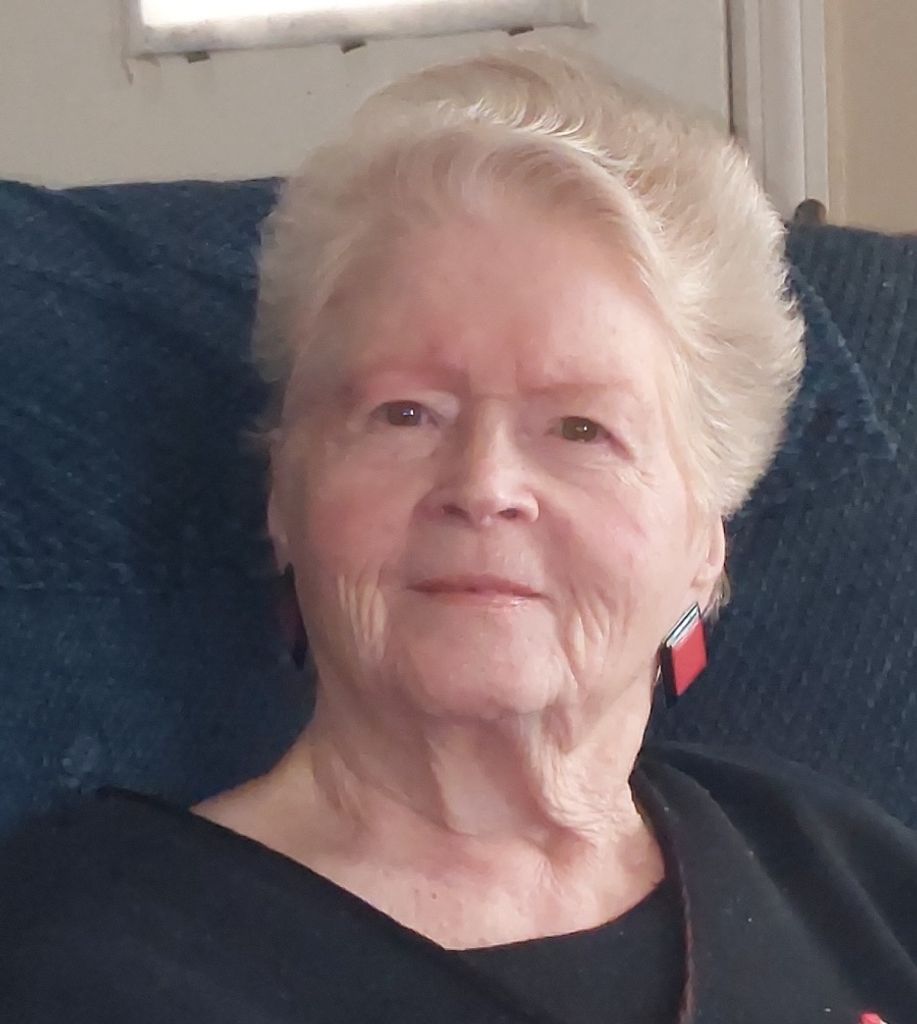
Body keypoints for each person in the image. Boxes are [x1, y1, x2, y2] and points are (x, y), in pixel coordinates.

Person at [1, 47, 916, 1024]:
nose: (483, 487)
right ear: (283, 493)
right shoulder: (86, 959)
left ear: (705, 542)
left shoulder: (846, 874)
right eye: (404, 413)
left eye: (581, 429)